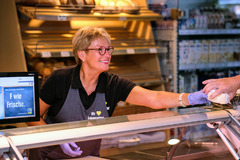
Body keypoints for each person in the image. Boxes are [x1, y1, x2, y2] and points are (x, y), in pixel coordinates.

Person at [26, 26, 208, 159]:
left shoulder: (113, 84)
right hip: (47, 155)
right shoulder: (60, 79)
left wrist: (189, 98)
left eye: (109, 49)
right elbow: (32, 116)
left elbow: (154, 98)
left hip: (87, 156)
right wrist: (59, 138)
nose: (107, 54)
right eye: (100, 50)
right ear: (82, 55)